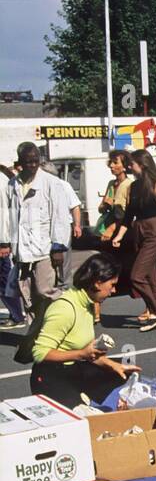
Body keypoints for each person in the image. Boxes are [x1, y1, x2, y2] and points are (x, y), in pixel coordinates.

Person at [28, 253, 140, 407]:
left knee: (121, 374)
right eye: (112, 285)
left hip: (73, 367)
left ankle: (90, 399)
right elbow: (40, 353)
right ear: (97, 283)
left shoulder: (88, 303)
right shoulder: (65, 308)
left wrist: (114, 366)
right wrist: (81, 354)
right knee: (82, 420)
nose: (113, 290)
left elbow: (88, 352)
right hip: (50, 377)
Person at [111, 149, 156, 331]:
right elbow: (128, 216)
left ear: (141, 165)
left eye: (132, 164)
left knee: (136, 276)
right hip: (138, 231)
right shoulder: (133, 187)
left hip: (153, 233)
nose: (129, 167)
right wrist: (118, 236)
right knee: (150, 278)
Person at [7, 142, 79, 324]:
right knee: (28, 294)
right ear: (20, 162)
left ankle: (68, 317)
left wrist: (58, 247)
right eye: (27, 161)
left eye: (35, 161)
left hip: (45, 248)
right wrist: (8, 244)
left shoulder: (51, 183)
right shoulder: (12, 184)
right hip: (22, 250)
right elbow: (10, 216)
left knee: (45, 290)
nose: (32, 165)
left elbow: (60, 217)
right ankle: (36, 334)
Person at [0, 162, 25, 328]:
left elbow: (3, 212)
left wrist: (3, 242)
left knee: (4, 279)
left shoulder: (1, 179)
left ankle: (16, 315)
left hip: (2, 239)